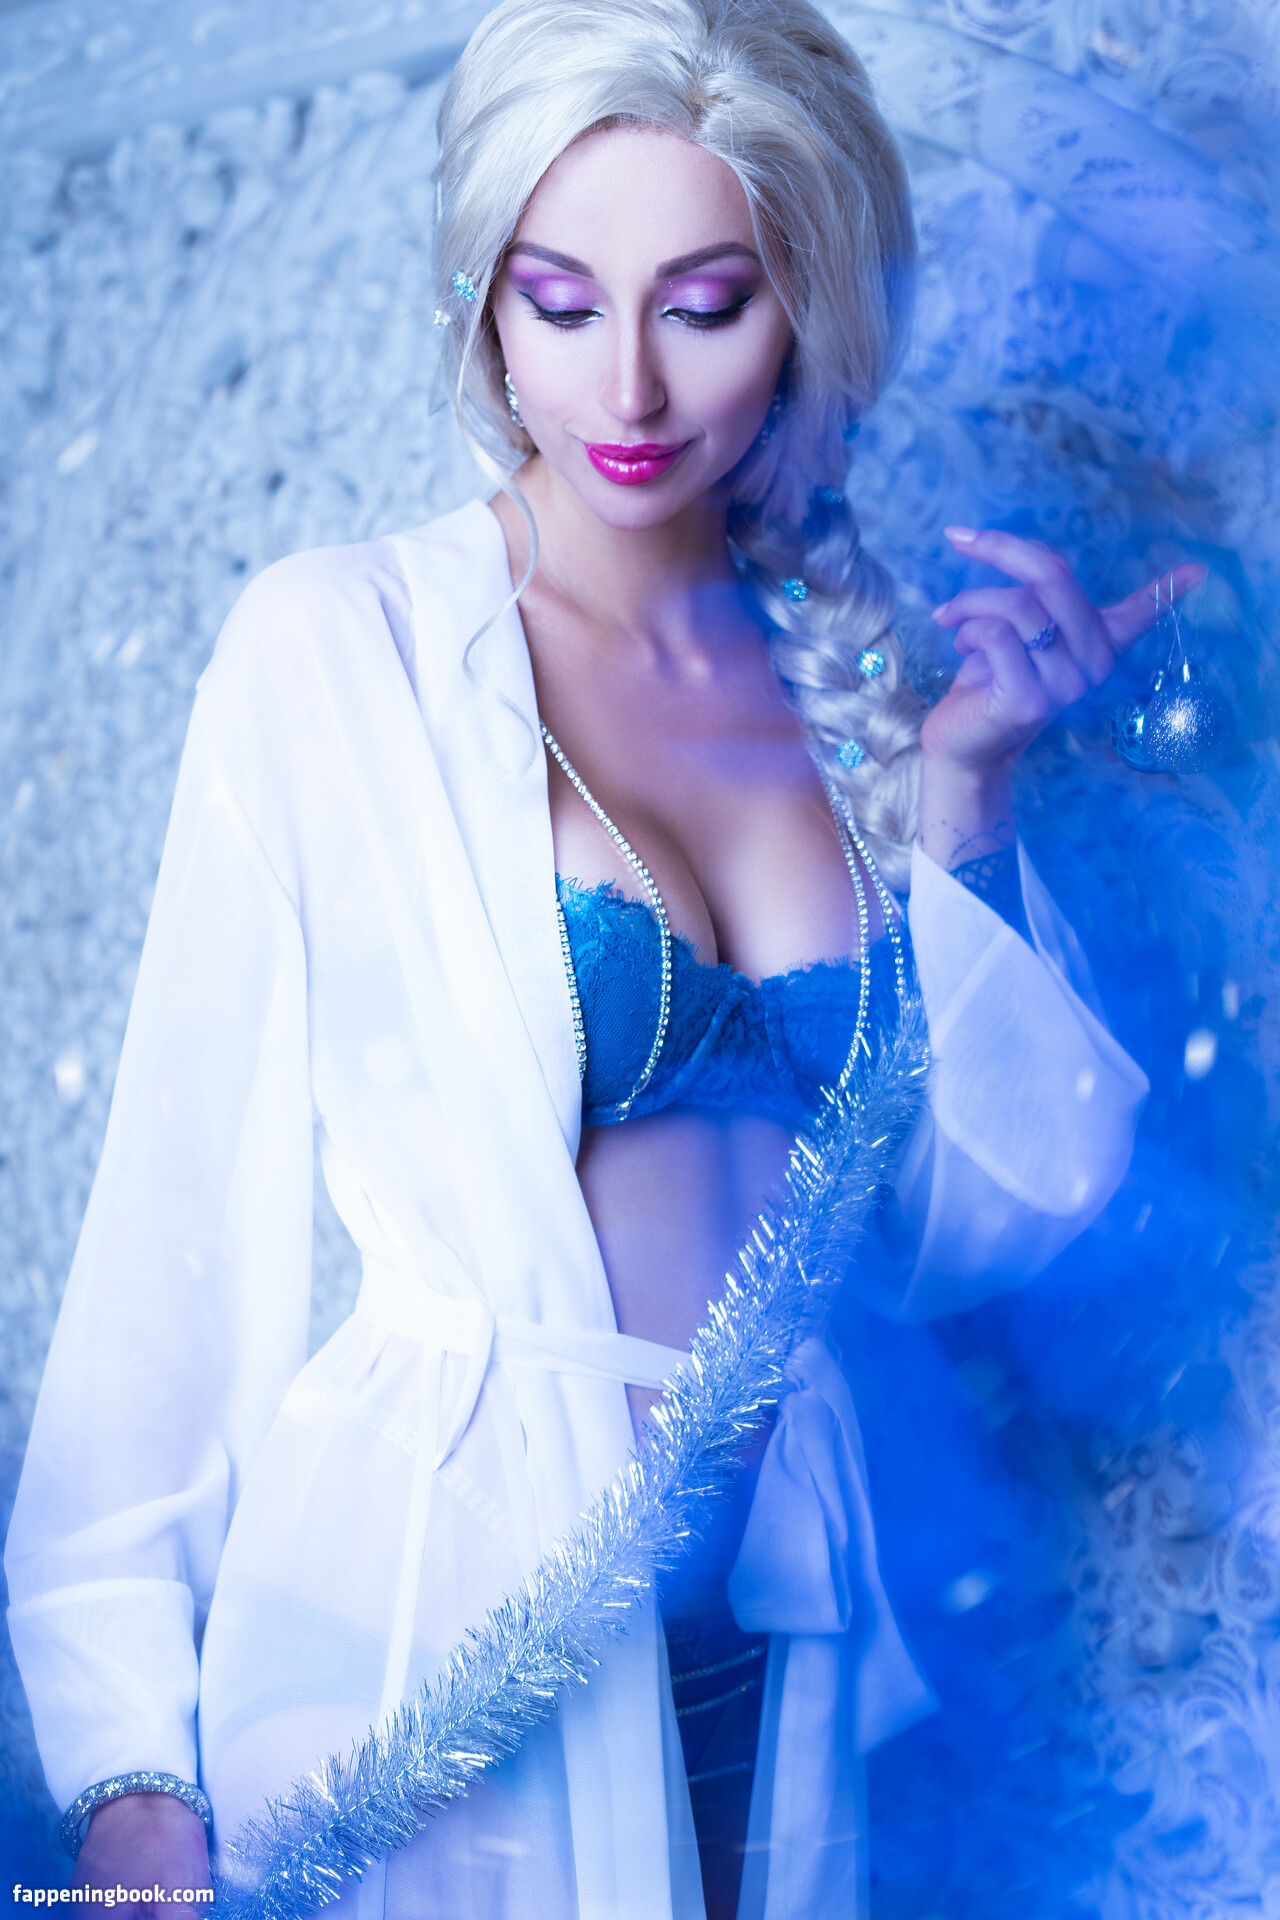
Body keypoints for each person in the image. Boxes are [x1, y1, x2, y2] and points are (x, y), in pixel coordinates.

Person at [5, 0, 1181, 1914]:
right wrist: (128, 1767)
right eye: (561, 302)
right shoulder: (344, 650)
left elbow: (979, 1232)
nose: (625, 384)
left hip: (782, 1650)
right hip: (433, 1651)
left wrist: (967, 800)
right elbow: (178, 1216)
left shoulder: (851, 692)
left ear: (806, 308)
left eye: (704, 305)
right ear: (486, 299)